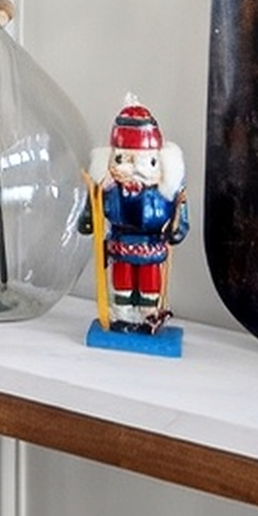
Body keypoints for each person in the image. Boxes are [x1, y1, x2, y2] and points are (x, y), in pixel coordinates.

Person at [83, 95, 189, 357]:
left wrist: (178, 222)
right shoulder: (109, 192)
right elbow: (92, 216)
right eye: (123, 160)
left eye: (146, 162)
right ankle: (123, 317)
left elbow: (178, 226)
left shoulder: (165, 194)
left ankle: (147, 317)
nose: (134, 170)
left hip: (151, 247)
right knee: (122, 284)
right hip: (120, 246)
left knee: (149, 286)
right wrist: (89, 215)